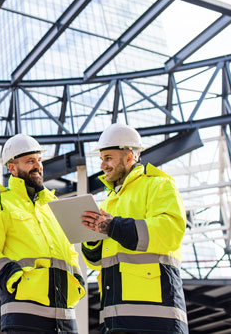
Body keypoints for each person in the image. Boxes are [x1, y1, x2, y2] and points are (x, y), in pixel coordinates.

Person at [0, 133, 86, 333]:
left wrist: (77, 279)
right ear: (12, 168)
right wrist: (11, 276)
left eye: (39, 160)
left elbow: (69, 250)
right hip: (24, 313)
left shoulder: (53, 205)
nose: (37, 166)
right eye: (30, 161)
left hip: (65, 313)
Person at [80, 123, 188, 334]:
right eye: (101, 159)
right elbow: (97, 262)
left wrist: (114, 226)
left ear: (129, 157)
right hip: (115, 316)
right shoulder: (109, 201)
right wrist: (92, 239)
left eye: (108, 158)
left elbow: (170, 232)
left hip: (157, 316)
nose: (103, 165)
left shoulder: (159, 185)